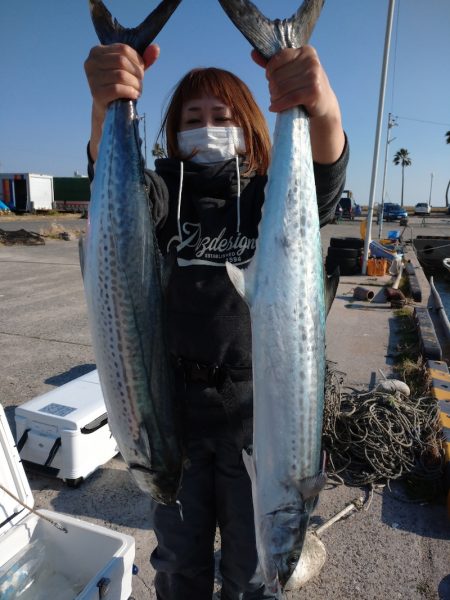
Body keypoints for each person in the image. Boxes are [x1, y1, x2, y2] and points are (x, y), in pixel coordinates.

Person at [84, 41, 348, 600]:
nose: (207, 128)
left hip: (258, 424)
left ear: (249, 124)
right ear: (174, 133)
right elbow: (114, 193)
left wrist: (318, 103)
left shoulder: (267, 195)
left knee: (251, 566)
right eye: (192, 118)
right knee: (179, 559)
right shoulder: (159, 191)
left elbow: (323, 175)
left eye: (221, 117)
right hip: (174, 419)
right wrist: (108, 103)